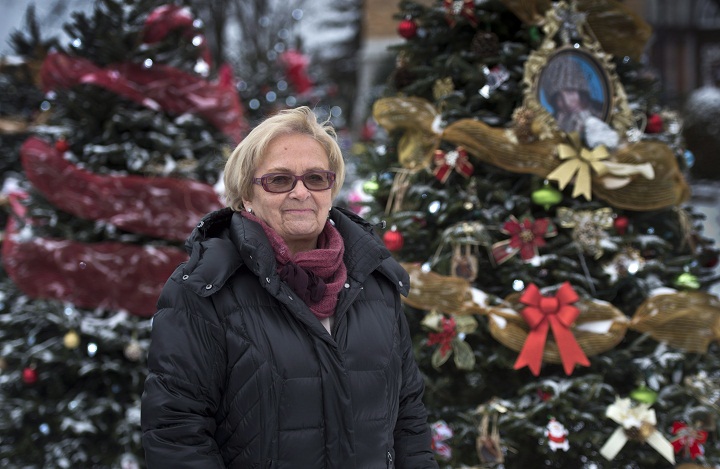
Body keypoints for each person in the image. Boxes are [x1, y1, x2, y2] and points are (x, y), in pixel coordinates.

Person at [141, 106, 439, 469]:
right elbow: (177, 433)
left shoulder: (375, 282)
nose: (301, 193)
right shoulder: (205, 288)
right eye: (279, 180)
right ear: (246, 195)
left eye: (315, 178)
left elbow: (408, 417)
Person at [541, 54, 606, 135]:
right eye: (558, 97)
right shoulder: (552, 123)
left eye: (570, 91)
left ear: (582, 91)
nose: (567, 103)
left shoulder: (602, 111)